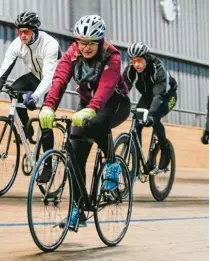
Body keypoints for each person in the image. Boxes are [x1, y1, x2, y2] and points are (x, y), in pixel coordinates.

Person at [38, 14, 131, 229]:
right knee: (75, 156)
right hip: (88, 103)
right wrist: (49, 105)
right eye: (82, 42)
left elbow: (106, 88)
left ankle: (112, 163)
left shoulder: (112, 57)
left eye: (91, 43)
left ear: (100, 42)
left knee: (97, 123)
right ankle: (79, 210)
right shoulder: (72, 53)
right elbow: (60, 79)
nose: (86, 48)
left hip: (114, 103)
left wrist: (92, 109)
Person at [0, 11, 61, 178]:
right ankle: (27, 128)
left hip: (53, 80)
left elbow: (49, 77)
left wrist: (36, 97)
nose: (22, 35)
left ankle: (48, 165)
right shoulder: (17, 44)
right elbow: (3, 71)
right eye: (20, 31)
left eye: (26, 32)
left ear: (35, 30)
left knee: (45, 118)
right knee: (14, 90)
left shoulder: (50, 44)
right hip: (34, 77)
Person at [123, 42, 177, 173]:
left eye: (139, 60)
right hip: (148, 96)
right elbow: (123, 88)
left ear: (146, 57)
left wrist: (151, 114)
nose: (136, 64)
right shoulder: (131, 69)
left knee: (155, 118)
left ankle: (165, 151)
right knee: (137, 123)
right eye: (133, 61)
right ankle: (137, 161)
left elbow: (158, 96)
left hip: (166, 96)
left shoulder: (158, 68)